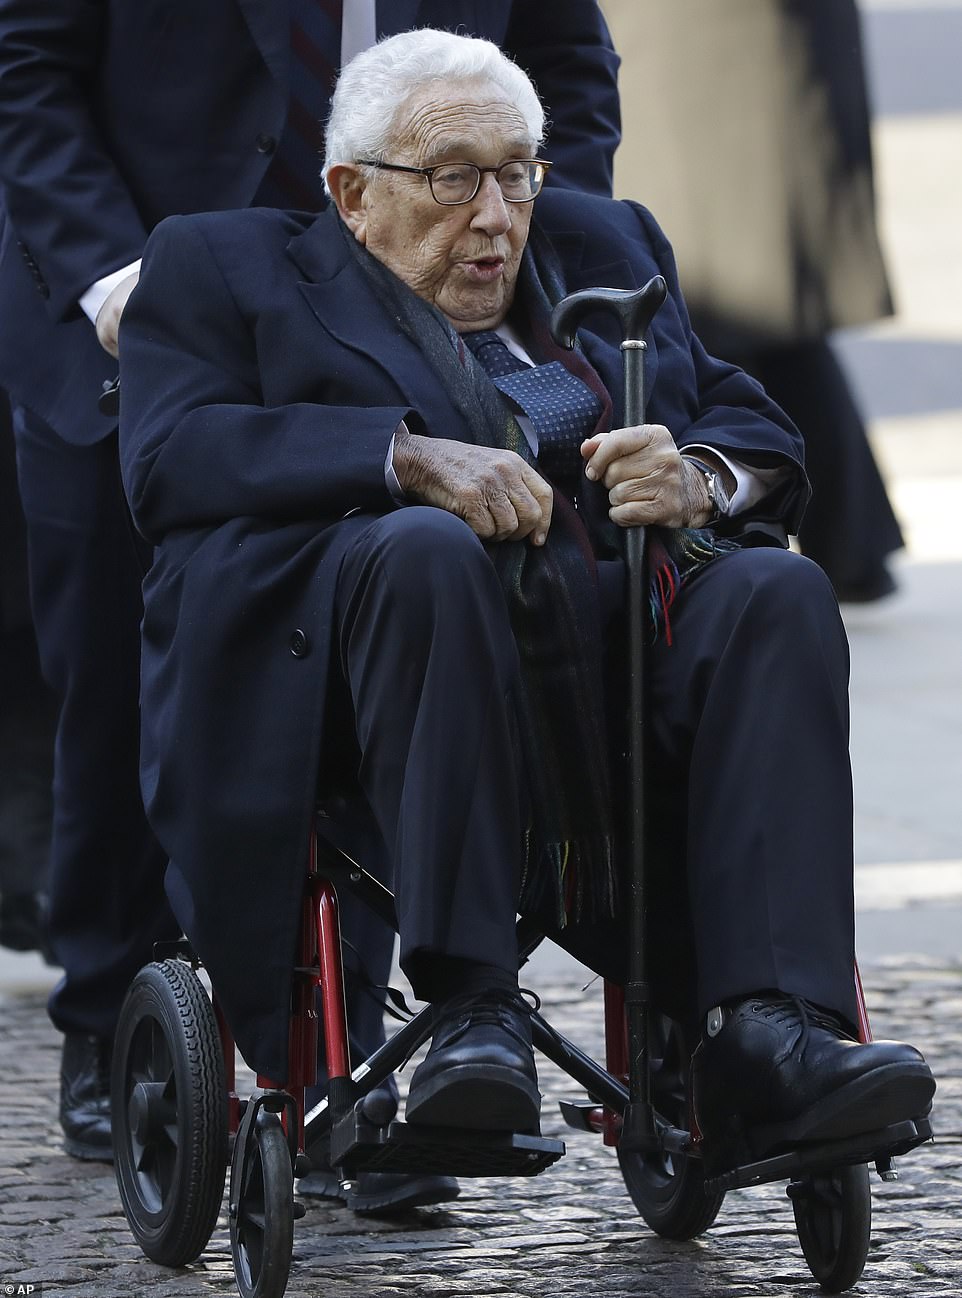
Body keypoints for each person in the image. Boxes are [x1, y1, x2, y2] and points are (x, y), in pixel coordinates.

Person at [118, 29, 934, 1175]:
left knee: (772, 586)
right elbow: (170, 457)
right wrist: (403, 458)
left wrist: (695, 474)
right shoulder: (226, 265)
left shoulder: (605, 244)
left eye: (516, 174)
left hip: (606, 668)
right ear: (352, 194)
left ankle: (770, 1028)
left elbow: (748, 420)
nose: (497, 217)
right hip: (358, 678)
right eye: (453, 179)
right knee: (425, 549)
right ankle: (470, 1009)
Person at [0, 0, 620, 1208]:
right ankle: (110, 1008)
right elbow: (26, 69)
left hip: (398, 298)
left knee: (392, 642)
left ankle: (351, 1057)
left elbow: (567, 66)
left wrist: (528, 236)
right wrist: (115, 277)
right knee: (118, 681)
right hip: (139, 318)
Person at [603, 0, 903, 601]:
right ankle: (846, 541)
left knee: (727, 295)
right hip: (710, 50)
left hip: (707, 52)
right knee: (746, 300)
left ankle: (794, 545)